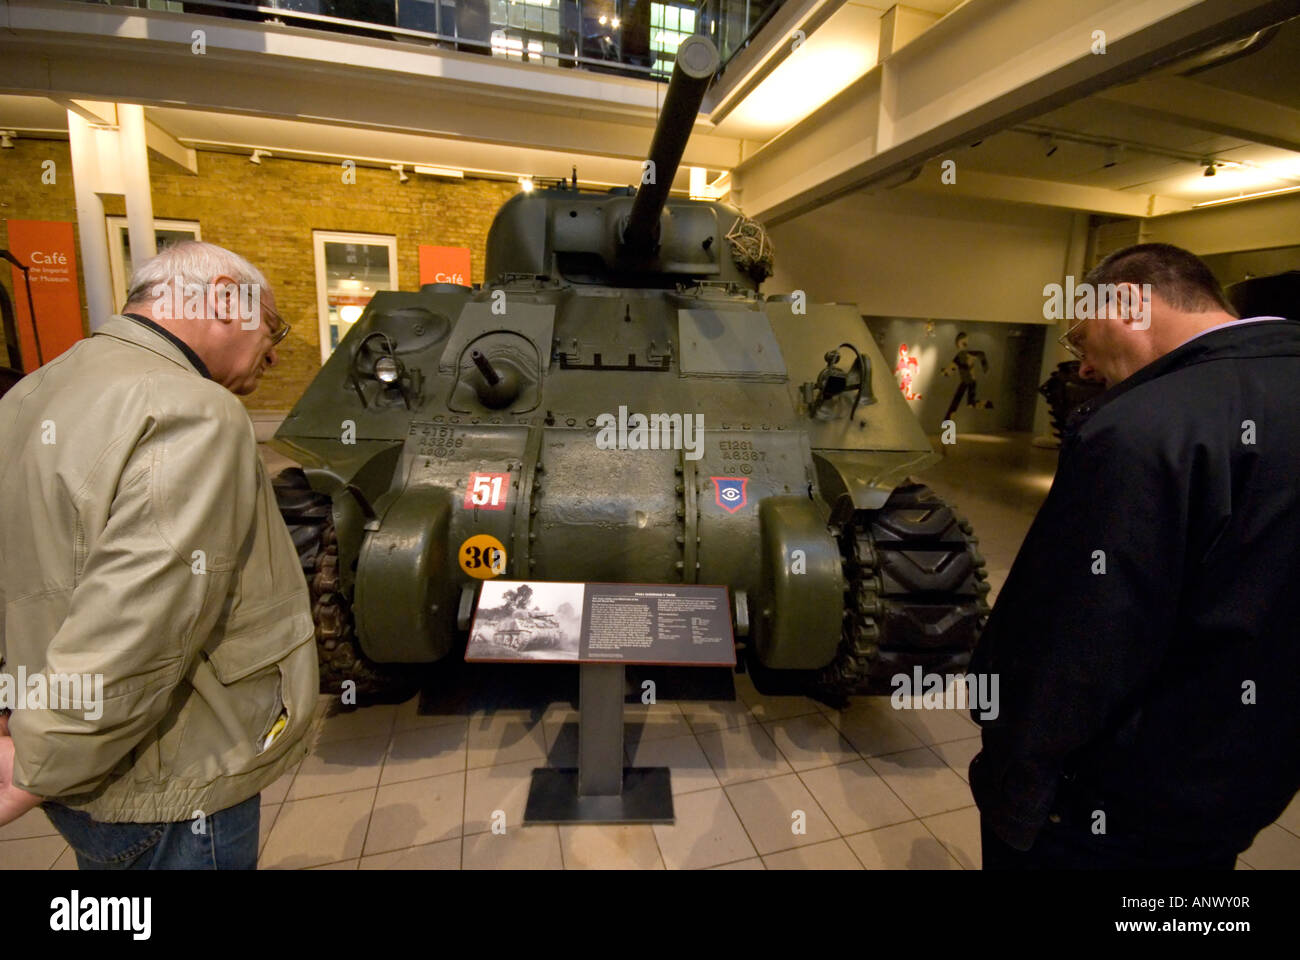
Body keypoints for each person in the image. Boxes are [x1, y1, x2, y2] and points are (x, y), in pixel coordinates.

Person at [970, 242, 1300, 869]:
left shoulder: (1142, 425)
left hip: (1109, 807)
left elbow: (1076, 636)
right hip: (1237, 792)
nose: (1085, 368)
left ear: (1124, 301)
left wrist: (1016, 774)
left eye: (1078, 338)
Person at [0, 241, 318, 868]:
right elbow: (143, 617)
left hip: (65, 748)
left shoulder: (30, 394)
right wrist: (36, 765)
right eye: (271, 326)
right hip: (167, 771)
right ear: (225, 298)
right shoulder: (194, 408)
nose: (274, 351)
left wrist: (25, 729)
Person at [941, 332, 993, 421]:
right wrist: (946, 372)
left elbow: (981, 354)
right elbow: (952, 368)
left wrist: (985, 368)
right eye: (963, 343)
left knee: (963, 402)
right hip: (966, 381)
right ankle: (948, 420)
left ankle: (989, 404)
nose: (964, 345)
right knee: (967, 403)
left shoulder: (966, 354)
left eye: (965, 343)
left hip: (970, 381)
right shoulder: (961, 356)